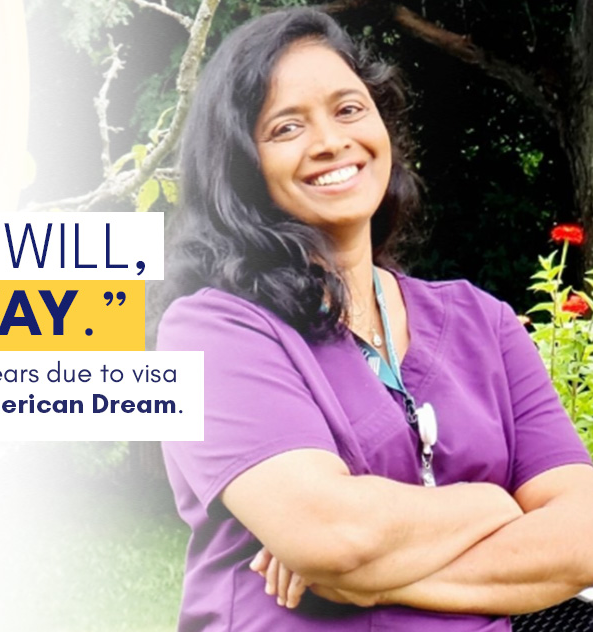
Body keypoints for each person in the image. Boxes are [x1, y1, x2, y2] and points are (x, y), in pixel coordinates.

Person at [154, 7, 593, 630]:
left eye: (350, 109)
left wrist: (359, 579)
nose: (331, 141)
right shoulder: (211, 335)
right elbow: (332, 536)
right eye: (285, 127)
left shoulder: (482, 322)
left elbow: (582, 535)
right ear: (242, 165)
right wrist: (496, 503)